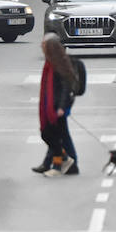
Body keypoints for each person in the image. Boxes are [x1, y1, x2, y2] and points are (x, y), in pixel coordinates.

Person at [33, 33, 83, 176]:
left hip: (57, 108)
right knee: (57, 137)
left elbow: (65, 89)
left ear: (51, 48)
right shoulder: (51, 63)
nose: (41, 47)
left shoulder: (58, 65)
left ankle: (68, 163)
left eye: (44, 45)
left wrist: (61, 107)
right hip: (52, 107)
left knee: (53, 136)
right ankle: (58, 165)